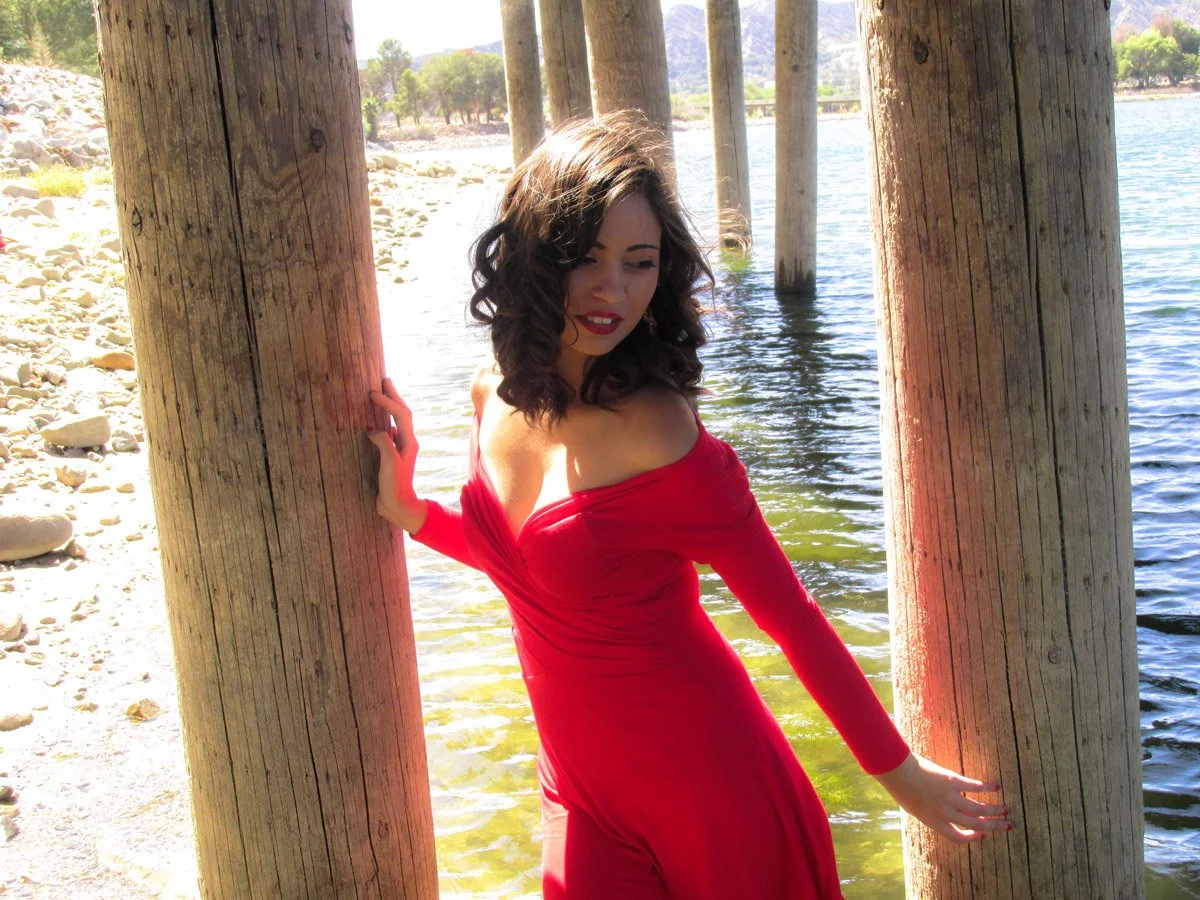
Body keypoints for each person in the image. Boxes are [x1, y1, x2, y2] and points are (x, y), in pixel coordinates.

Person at [366, 112, 1009, 898]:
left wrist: (899, 775)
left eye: (639, 264)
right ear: (535, 255)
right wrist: (414, 513)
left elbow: (792, 617)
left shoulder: (663, 436)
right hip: (579, 794)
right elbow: (528, 567)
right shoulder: (492, 394)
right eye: (585, 256)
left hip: (714, 792)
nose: (613, 290)